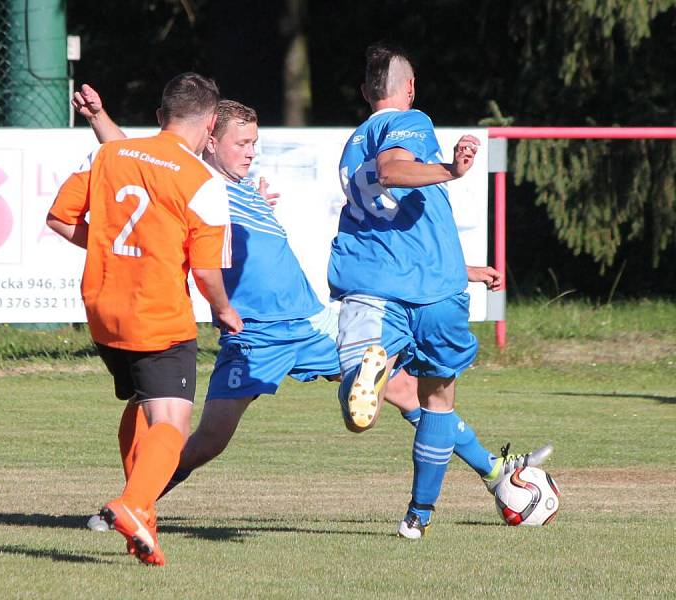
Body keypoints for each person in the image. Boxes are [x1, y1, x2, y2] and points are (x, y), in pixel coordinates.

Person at [72, 84, 550, 533]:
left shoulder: (241, 189)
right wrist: (100, 118)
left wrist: (461, 270)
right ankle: (135, 504)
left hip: (308, 322)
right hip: (254, 337)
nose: (251, 152)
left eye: (254, 142)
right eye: (241, 143)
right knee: (209, 439)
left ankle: (494, 470)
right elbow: (136, 158)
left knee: (404, 390)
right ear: (209, 141)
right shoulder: (201, 184)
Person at [329, 41, 550, 540]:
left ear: (366, 91)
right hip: (429, 293)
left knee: (369, 386)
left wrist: (466, 268)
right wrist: (450, 170)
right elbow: (393, 170)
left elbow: (397, 218)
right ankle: (418, 516)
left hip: (381, 283)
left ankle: (369, 373)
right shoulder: (410, 122)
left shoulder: (352, 143)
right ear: (409, 88)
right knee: (437, 401)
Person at [46, 72, 243, 566]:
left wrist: (115, 248)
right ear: (212, 122)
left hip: (104, 310)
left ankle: (144, 521)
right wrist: (223, 309)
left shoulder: (109, 155)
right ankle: (134, 504)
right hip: (157, 315)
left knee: (141, 400)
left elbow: (60, 218)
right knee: (172, 423)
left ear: (161, 117)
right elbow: (204, 269)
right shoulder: (203, 183)